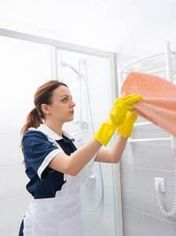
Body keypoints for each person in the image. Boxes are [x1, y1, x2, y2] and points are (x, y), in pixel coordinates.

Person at [19, 80, 142, 236]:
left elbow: (113, 156)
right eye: (65, 100)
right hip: (44, 222)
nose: (73, 104)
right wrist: (109, 124)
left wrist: (125, 127)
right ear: (46, 108)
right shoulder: (34, 139)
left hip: (71, 218)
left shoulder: (71, 140)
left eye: (71, 98)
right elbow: (70, 167)